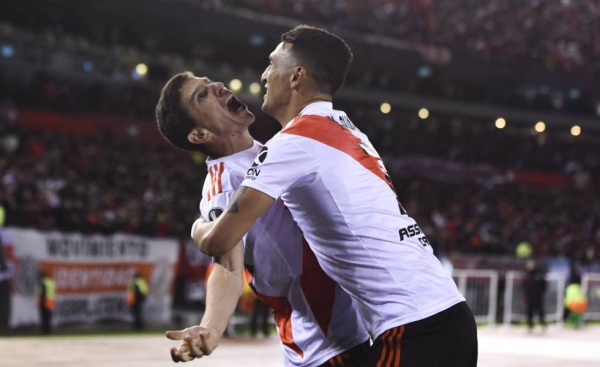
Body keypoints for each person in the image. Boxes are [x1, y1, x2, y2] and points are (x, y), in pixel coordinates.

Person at [190, 25, 478, 366]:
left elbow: (220, 240)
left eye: (272, 64)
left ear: (297, 76)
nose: (265, 75)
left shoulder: (292, 144)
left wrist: (197, 226)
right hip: (441, 314)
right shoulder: (346, 129)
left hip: (414, 328)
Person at [156, 72, 370, 366]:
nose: (218, 86)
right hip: (327, 342)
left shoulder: (269, 151)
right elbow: (228, 265)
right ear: (200, 135)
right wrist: (211, 327)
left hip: (350, 326)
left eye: (209, 83)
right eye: (202, 96)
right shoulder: (225, 185)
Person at [522, 259, 547, 333]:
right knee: (529, 312)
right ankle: (530, 326)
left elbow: (543, 286)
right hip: (529, 297)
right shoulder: (526, 275)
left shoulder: (539, 274)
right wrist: (525, 295)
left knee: (540, 312)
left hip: (538, 297)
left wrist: (540, 293)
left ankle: (543, 325)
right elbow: (524, 286)